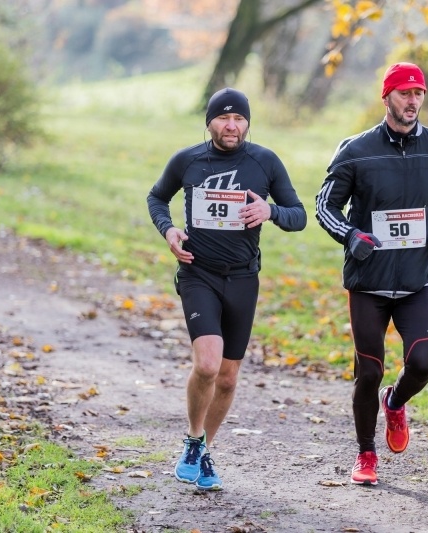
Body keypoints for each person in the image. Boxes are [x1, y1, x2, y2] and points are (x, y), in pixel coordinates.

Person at [315, 62, 428, 485]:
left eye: (418, 93)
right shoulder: (356, 150)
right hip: (369, 281)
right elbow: (325, 206)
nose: (413, 100)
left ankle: (396, 402)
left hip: (418, 278)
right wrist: (350, 236)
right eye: (404, 93)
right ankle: (366, 455)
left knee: (422, 364)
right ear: (386, 97)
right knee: (368, 371)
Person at [147, 87, 307, 490]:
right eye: (223, 118)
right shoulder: (188, 160)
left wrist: (270, 210)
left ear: (248, 123)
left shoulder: (265, 162)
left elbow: (299, 216)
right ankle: (192, 438)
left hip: (243, 278)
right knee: (207, 365)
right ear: (210, 122)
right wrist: (169, 232)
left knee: (229, 377)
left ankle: (201, 451)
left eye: (238, 119)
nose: (231, 125)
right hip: (198, 273)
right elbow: (156, 198)